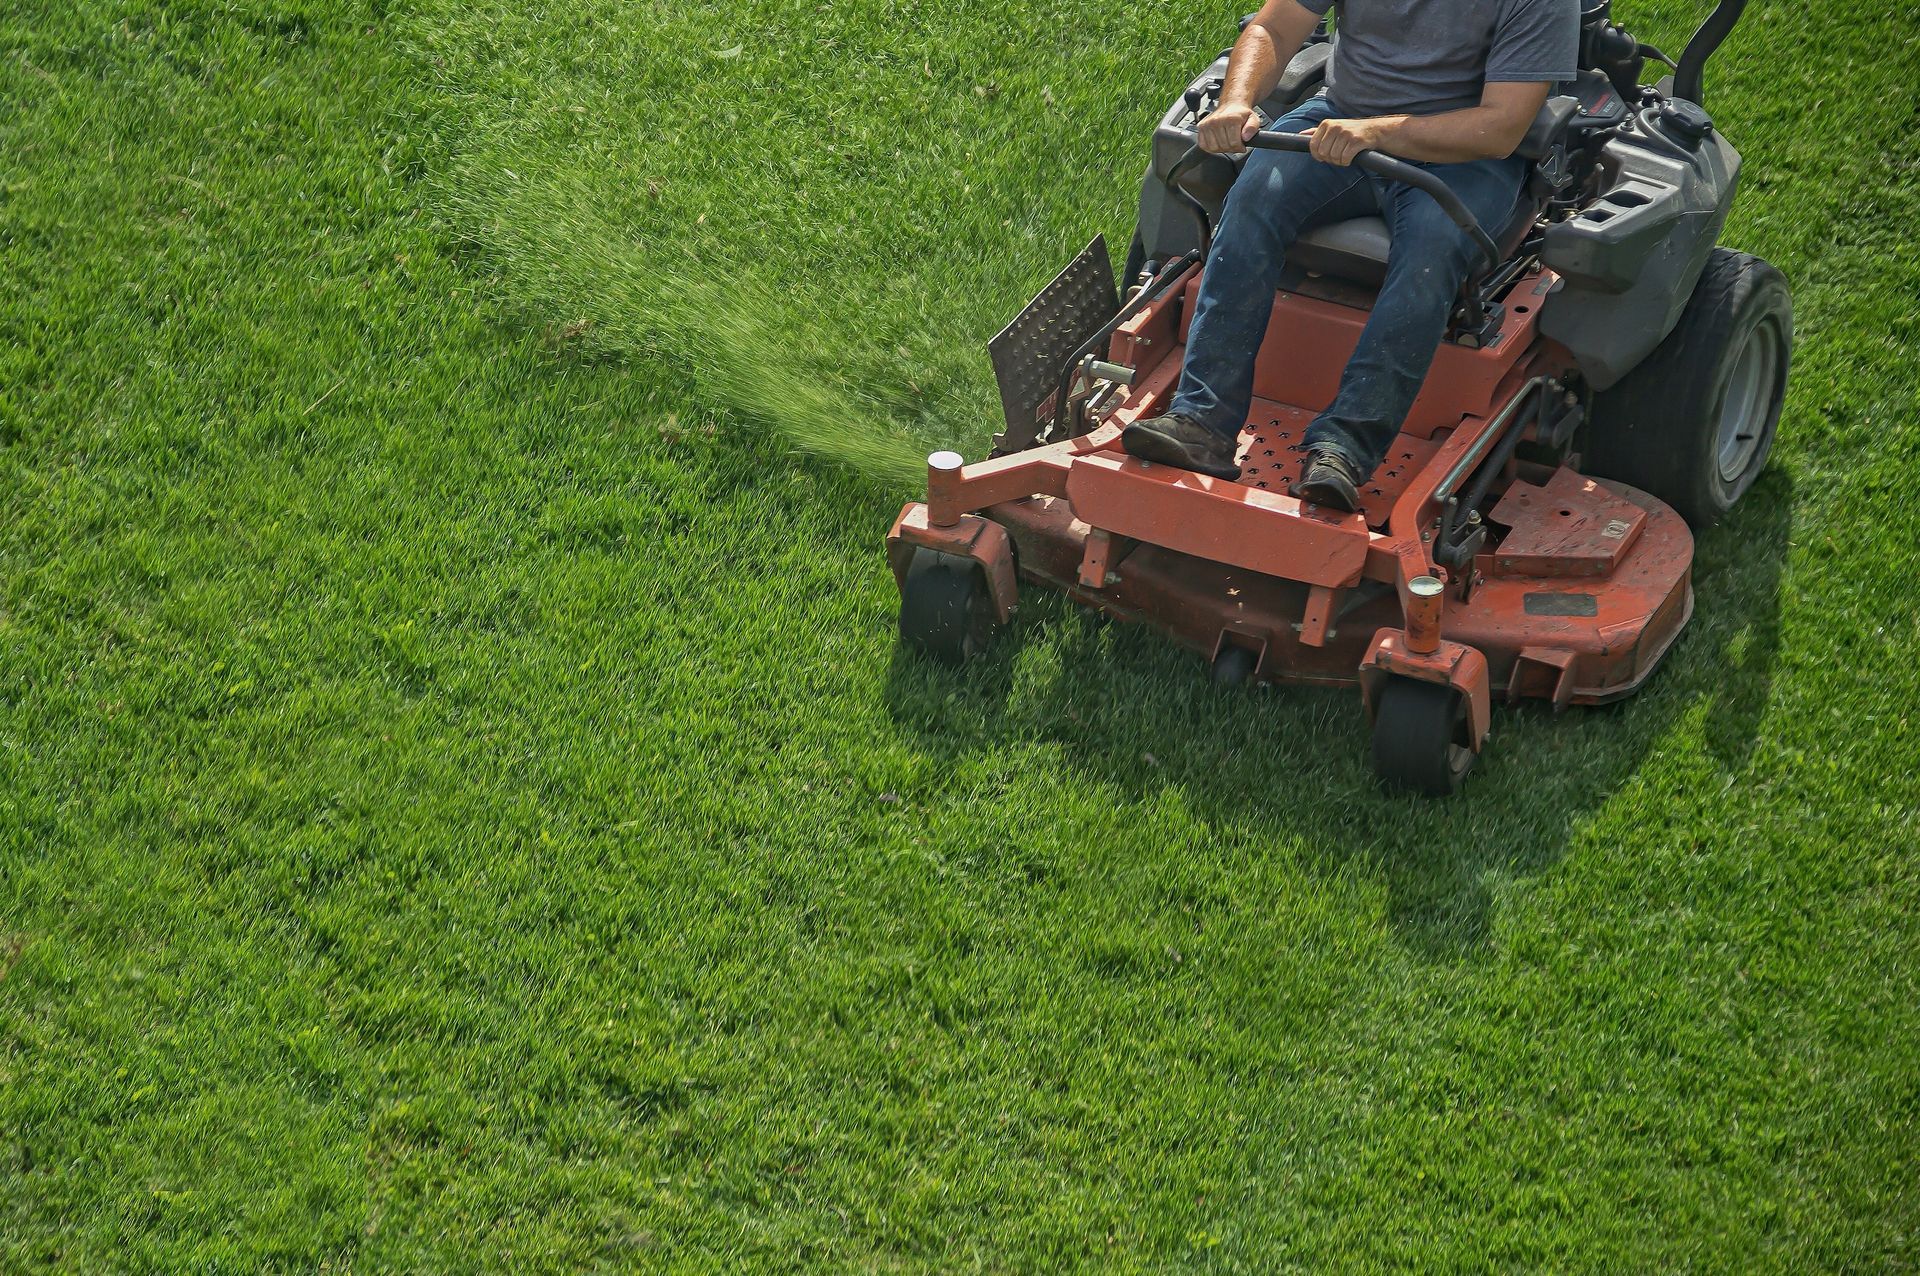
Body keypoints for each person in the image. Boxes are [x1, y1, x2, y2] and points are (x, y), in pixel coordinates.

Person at [1120, 0, 1578, 512]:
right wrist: (1236, 101)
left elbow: (1501, 126)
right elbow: (1274, 26)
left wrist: (1377, 132)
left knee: (1432, 252)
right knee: (1251, 199)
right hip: (1340, 119)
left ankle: (1343, 449)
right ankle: (1202, 420)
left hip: (1465, 157)